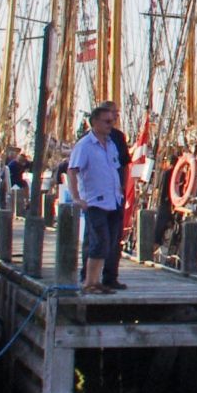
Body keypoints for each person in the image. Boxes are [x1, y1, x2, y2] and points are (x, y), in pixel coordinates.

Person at [66, 102, 128, 295]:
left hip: (113, 200)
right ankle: (89, 281)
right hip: (95, 201)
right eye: (107, 121)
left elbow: (118, 167)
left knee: (109, 243)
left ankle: (98, 280)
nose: (111, 124)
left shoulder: (111, 144)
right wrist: (76, 197)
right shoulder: (85, 145)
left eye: (113, 120)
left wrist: (121, 189)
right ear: (95, 122)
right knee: (98, 241)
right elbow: (72, 170)